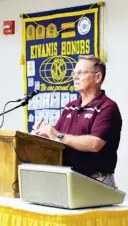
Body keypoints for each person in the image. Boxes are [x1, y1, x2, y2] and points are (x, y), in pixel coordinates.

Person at [32, 55, 122, 188]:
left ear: (97, 77)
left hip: (96, 181)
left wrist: (56, 135)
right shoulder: (70, 106)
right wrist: (44, 134)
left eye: (80, 73)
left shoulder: (107, 107)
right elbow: (58, 139)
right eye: (74, 73)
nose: (75, 77)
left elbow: (94, 144)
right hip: (68, 178)